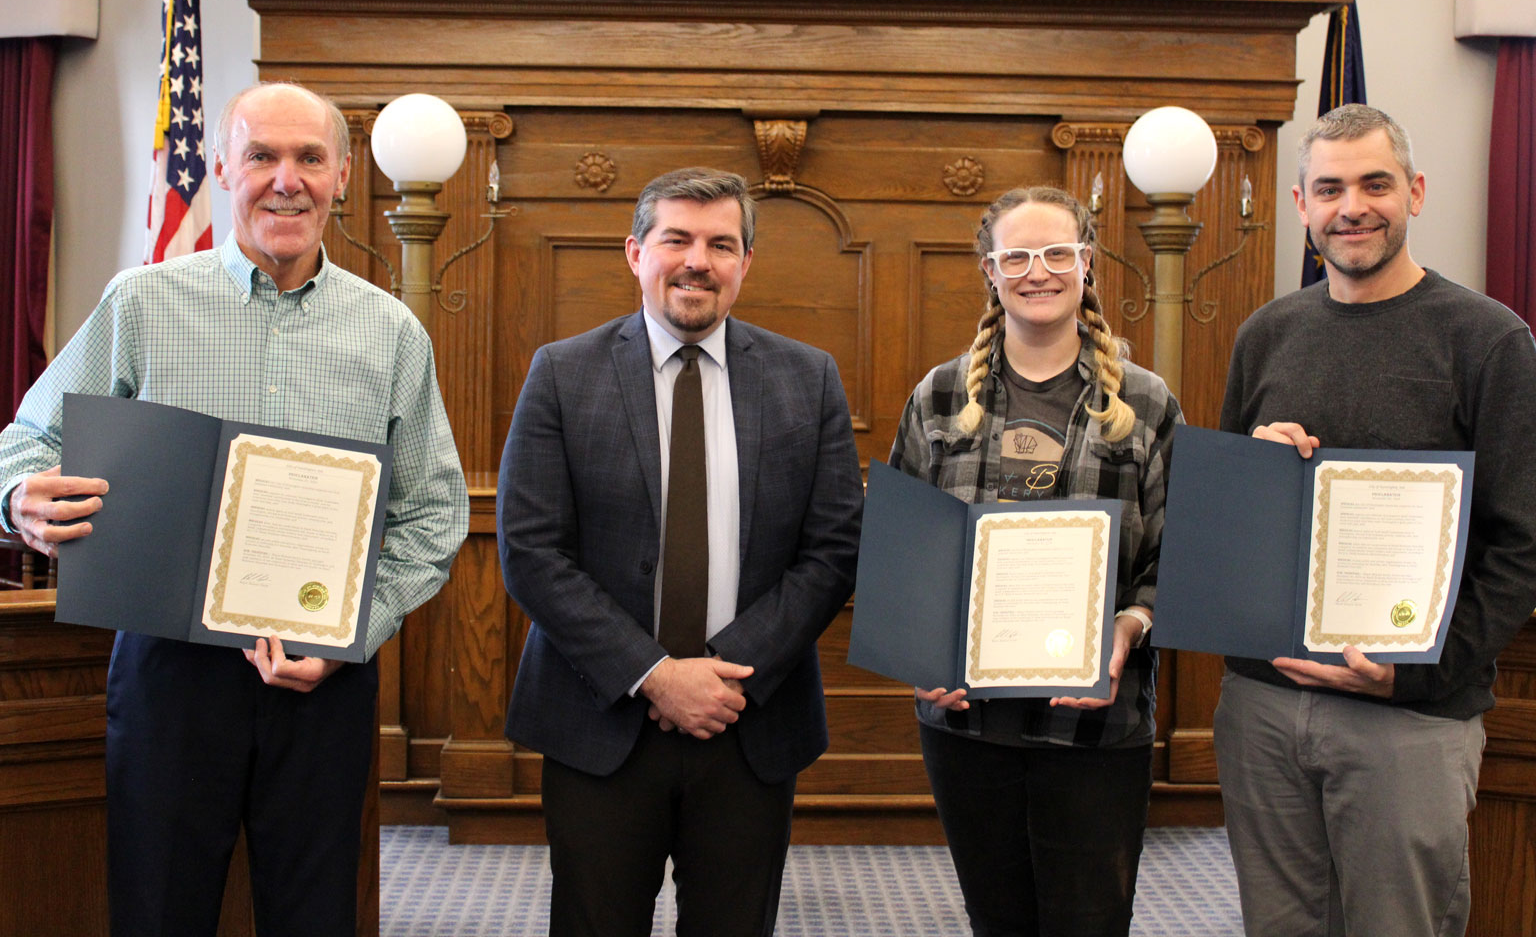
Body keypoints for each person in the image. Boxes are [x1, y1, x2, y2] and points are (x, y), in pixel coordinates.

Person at [0, 81, 469, 935]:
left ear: (340, 177)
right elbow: (25, 441)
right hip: (168, 673)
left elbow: (434, 516)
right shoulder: (141, 303)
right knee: (158, 908)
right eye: (261, 156)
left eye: (308, 159)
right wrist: (18, 497)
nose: (285, 179)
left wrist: (353, 636)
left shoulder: (392, 331)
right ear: (221, 169)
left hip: (320, 678)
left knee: (315, 915)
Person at [496, 167, 863, 937]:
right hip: (602, 720)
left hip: (748, 718)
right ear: (635, 252)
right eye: (678, 239)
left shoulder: (809, 378)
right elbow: (532, 551)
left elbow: (833, 550)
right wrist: (655, 675)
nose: (698, 260)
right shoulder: (563, 373)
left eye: (721, 244)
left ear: (745, 263)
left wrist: (723, 673)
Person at [1216, 103, 1536, 936]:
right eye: (1330, 188)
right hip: (1266, 703)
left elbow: (1522, 542)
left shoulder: (1490, 340)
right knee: (1279, 925)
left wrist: (1417, 676)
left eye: (1374, 183)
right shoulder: (1265, 335)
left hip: (1409, 714)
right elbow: (1226, 525)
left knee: (1399, 925)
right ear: (1302, 207)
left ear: (1416, 192)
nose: (1351, 206)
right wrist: (1253, 465)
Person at [888, 185, 1181, 936]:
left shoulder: (1145, 403)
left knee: (1089, 920)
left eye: (1056, 253)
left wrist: (1128, 628)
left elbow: (1172, 557)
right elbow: (901, 552)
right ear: (989, 269)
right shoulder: (939, 396)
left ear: (1086, 262)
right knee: (997, 917)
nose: (1036, 271)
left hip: (1094, 722)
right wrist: (919, 649)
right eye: (1015, 255)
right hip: (965, 722)